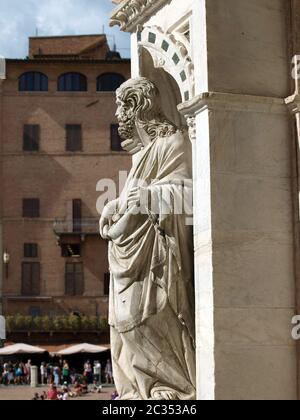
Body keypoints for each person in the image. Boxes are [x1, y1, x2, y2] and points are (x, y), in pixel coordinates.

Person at [100, 77, 196, 400]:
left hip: (156, 259)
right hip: (128, 259)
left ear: (136, 106)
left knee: (152, 316)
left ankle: (173, 385)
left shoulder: (173, 142)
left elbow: (188, 194)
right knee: (124, 322)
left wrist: (146, 195)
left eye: (120, 106)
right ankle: (140, 388)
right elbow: (131, 199)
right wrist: (115, 204)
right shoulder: (142, 155)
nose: (117, 114)